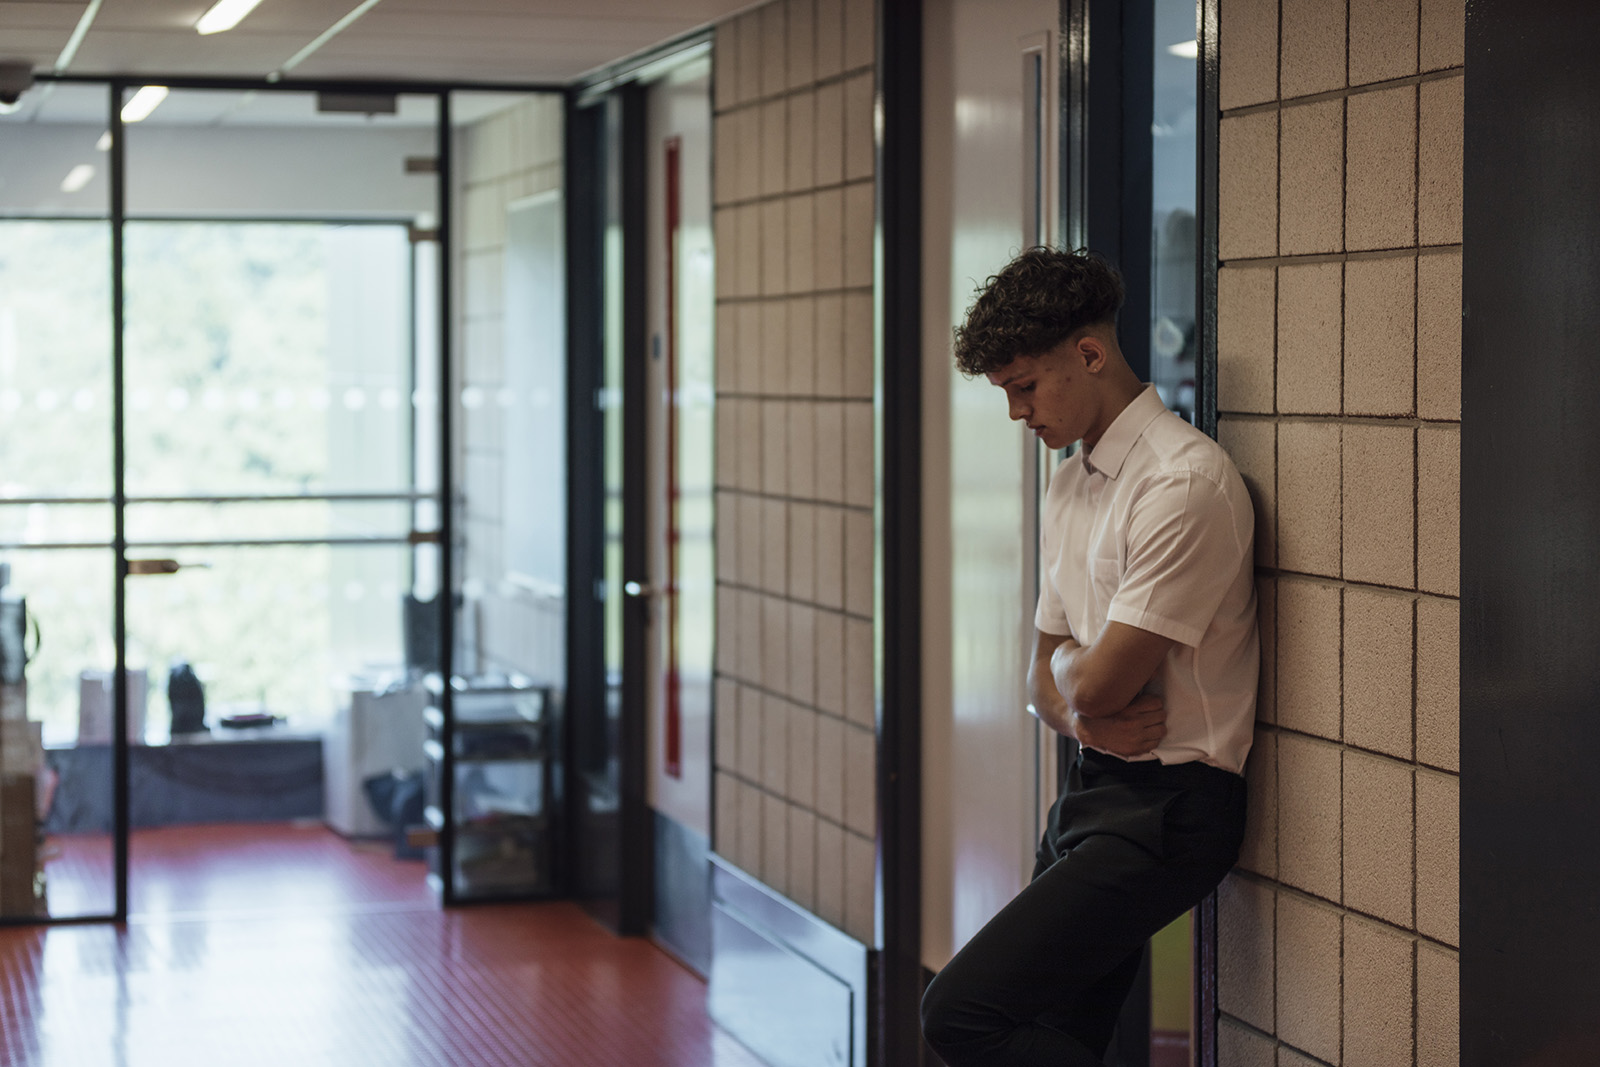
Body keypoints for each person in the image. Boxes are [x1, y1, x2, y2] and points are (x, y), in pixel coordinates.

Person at [920, 247, 1258, 1067]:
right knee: (1056, 1033)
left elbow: (1095, 678)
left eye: (1024, 387)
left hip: (1173, 810)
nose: (1016, 413)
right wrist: (1078, 699)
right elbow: (1043, 681)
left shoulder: (1185, 484)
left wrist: (1075, 684)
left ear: (1090, 354)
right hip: (1092, 788)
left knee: (959, 1014)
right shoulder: (1070, 487)